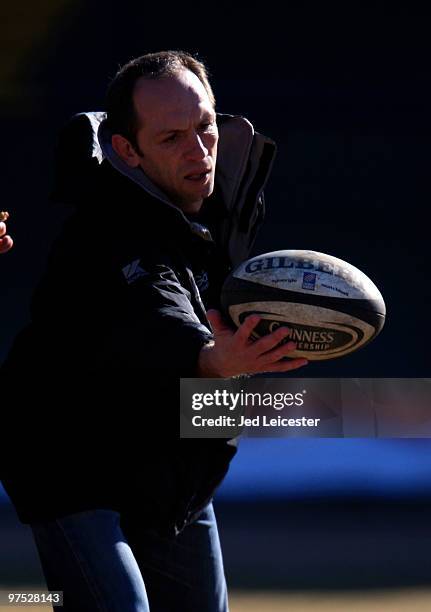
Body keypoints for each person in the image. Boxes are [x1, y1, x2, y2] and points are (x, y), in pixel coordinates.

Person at [1, 51, 307, 611]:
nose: (199, 151)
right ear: (127, 151)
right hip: (71, 459)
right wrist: (213, 360)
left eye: (206, 127)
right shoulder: (107, 229)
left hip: (166, 461)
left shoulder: (220, 201)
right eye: (171, 139)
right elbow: (154, 310)